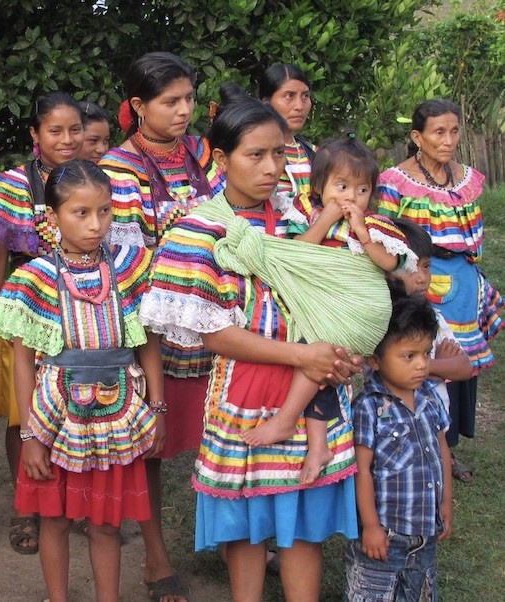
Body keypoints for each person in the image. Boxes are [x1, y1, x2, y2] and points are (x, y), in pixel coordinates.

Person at [140, 84, 360, 601]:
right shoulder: (198, 231)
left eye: (279, 153)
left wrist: (342, 350)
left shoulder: (297, 220)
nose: (270, 167)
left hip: (313, 387)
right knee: (245, 517)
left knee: (304, 516)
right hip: (246, 391)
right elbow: (215, 334)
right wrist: (304, 355)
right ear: (221, 157)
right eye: (255, 154)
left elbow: (336, 295)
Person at [0, 159, 165, 602]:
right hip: (55, 419)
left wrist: (157, 408)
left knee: (107, 523)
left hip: (118, 419)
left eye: (104, 211)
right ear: (52, 217)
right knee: (55, 519)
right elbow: (24, 363)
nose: (96, 224)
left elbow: (149, 345)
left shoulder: (131, 267)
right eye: (80, 213)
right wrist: (29, 434)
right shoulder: (35, 279)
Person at [98, 51, 213, 602]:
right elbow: (126, 259)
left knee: (229, 425)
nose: (184, 110)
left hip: (216, 313)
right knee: (152, 444)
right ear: (139, 106)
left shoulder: (204, 154)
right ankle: (155, 558)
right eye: (171, 101)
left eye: (189, 98)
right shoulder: (117, 168)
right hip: (155, 323)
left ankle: (249, 537)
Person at [237, 137, 417, 484]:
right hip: (325, 305)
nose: (351, 197)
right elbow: (296, 253)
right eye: (342, 186)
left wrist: (363, 235)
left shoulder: (374, 224)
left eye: (362, 189)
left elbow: (392, 263)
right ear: (318, 186)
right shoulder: (305, 213)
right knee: (325, 367)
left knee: (315, 352)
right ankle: (319, 446)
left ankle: (286, 418)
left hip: (359, 308)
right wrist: (326, 220)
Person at [0, 91, 84, 556]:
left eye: (75, 129)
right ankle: (25, 506)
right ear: (35, 135)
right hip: (27, 314)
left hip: (82, 313)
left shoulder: (93, 179)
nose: (67, 139)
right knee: (22, 417)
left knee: (77, 408)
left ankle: (68, 499)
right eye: (55, 130)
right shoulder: (11, 186)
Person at [377, 98, 504, 483]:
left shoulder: (466, 178)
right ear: (417, 136)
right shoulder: (395, 180)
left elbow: (473, 234)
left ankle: (449, 448)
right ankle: (419, 443)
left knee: (461, 360)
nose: (448, 140)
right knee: (422, 357)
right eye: (438, 132)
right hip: (421, 281)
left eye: (453, 131)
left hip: (463, 284)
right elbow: (386, 236)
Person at [345, 294, 453, 601]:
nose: (421, 365)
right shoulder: (369, 407)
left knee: (418, 591)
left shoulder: (431, 397)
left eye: (426, 354)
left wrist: (445, 502)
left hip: (424, 531)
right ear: (375, 361)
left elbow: (441, 452)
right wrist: (370, 526)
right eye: (409, 356)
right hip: (385, 533)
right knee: (373, 592)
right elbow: (361, 470)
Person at [387, 217, 473, 410]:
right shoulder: (381, 320)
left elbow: (465, 368)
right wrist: (437, 366)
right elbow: (388, 371)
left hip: (435, 422)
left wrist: (427, 366)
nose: (422, 278)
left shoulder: (431, 316)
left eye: (426, 266)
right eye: (410, 267)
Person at [260, 63, 317, 198]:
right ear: (267, 103)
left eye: (305, 96)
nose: (299, 106)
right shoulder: (251, 153)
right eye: (289, 96)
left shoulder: (316, 154)